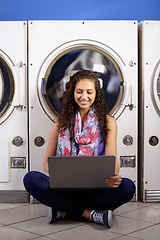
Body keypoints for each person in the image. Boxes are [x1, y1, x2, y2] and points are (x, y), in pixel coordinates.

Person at [23, 69, 135, 228]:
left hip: (96, 188)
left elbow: (113, 161)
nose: (84, 97)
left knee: (128, 187)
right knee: (31, 179)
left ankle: (65, 209)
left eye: (89, 92)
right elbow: (46, 165)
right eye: (79, 91)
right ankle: (90, 214)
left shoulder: (108, 122)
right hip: (65, 188)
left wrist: (114, 176)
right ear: (72, 93)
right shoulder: (59, 125)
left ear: (96, 93)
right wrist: (65, 172)